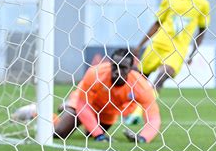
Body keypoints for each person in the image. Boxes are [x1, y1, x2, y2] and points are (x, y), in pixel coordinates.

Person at [12, 48, 161, 143]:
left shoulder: (141, 85)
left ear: (130, 69)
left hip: (107, 113)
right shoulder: (95, 73)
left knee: (90, 135)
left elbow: (153, 117)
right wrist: (99, 135)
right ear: (109, 64)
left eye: (123, 68)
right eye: (114, 66)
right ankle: (36, 110)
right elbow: (83, 105)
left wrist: (143, 138)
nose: (117, 71)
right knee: (58, 134)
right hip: (82, 104)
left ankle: (66, 110)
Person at [125, 0, 210, 124]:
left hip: (178, 50)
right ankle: (127, 108)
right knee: (140, 78)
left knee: (161, 77)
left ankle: (137, 113)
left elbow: (202, 30)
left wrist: (193, 52)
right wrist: (140, 45)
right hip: (158, 44)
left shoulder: (202, 4)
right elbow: (157, 24)